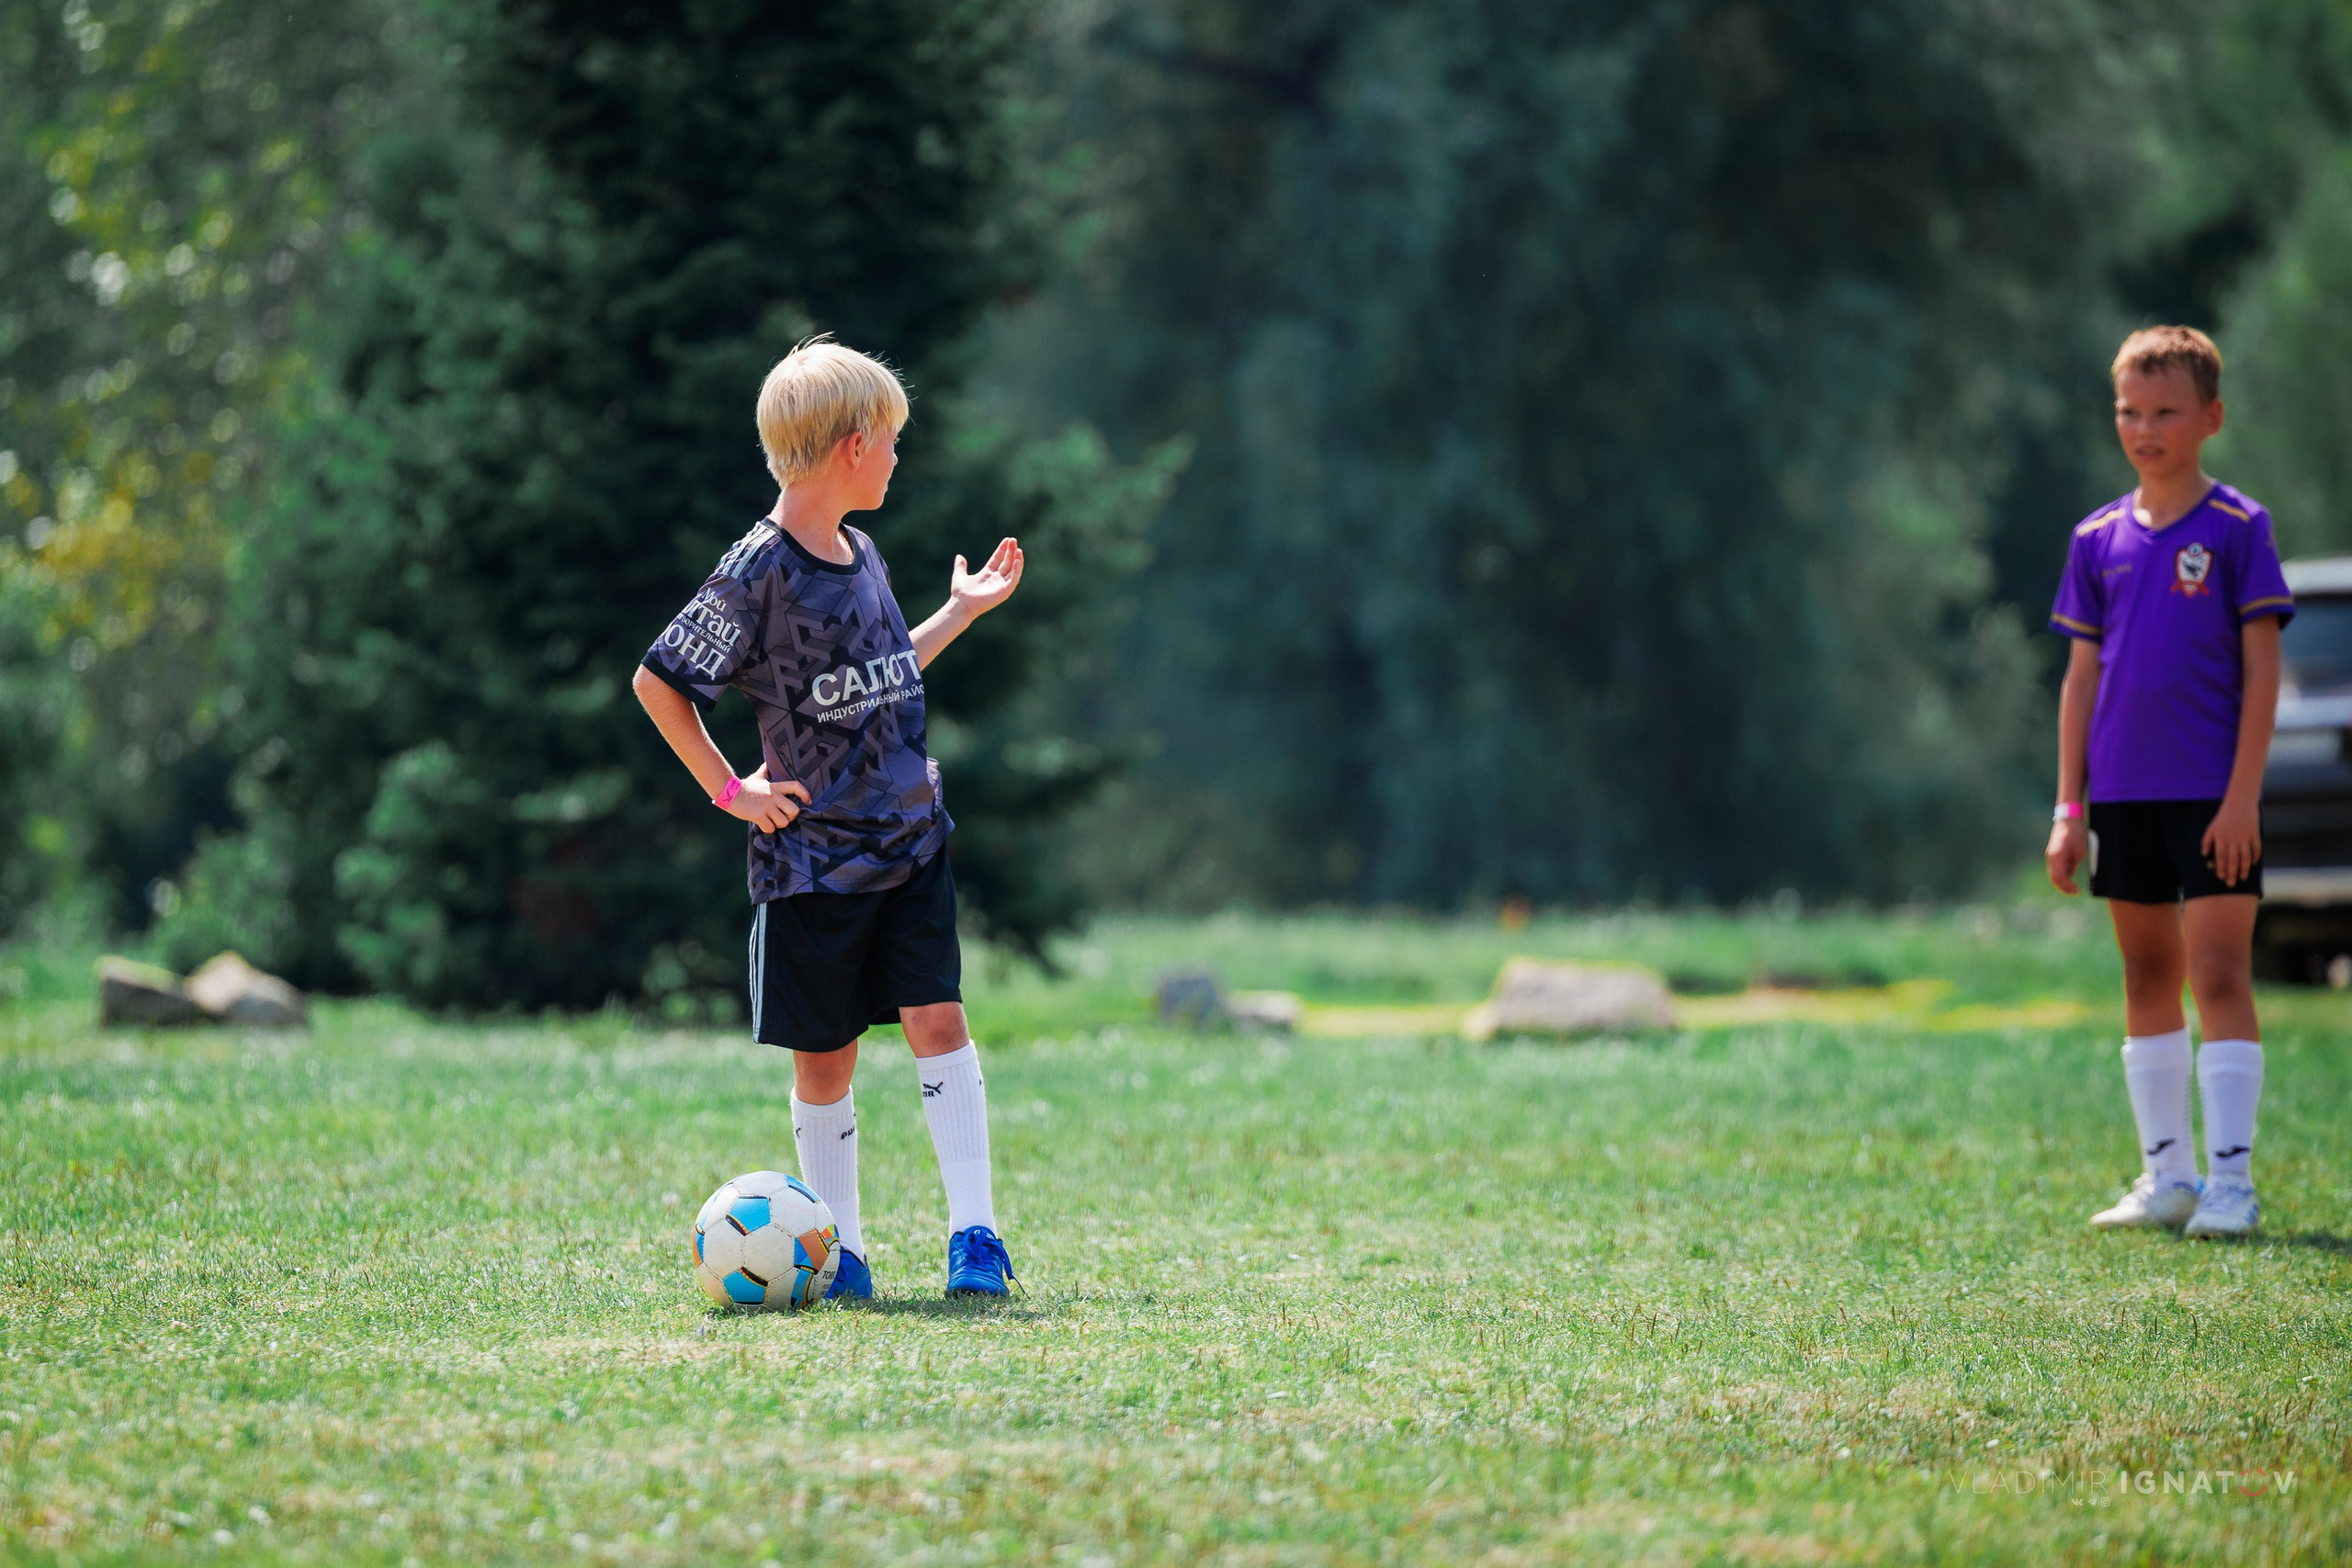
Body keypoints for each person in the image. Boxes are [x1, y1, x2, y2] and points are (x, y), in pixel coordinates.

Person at [632, 338, 1026, 1297]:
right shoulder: (756, 570)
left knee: (940, 1021)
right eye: (891, 440)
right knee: (826, 1060)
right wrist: (736, 792)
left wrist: (956, 615)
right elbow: (659, 683)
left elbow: (878, 679)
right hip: (812, 865)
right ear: (852, 445)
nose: (897, 457)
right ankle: (836, 1251)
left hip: (911, 842)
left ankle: (975, 1237)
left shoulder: (863, 552)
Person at [2046, 325, 2291, 1239]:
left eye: (2163, 412)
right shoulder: (2094, 539)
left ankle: (2231, 1183)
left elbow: (2261, 675)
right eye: (2127, 411)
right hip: (2120, 796)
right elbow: (2080, 682)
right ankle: (2167, 1180)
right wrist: (2069, 809)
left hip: (2209, 795)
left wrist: (2241, 798)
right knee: (2146, 970)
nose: (2143, 429)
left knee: (2220, 972)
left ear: (2209, 419)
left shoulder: (2238, 530)